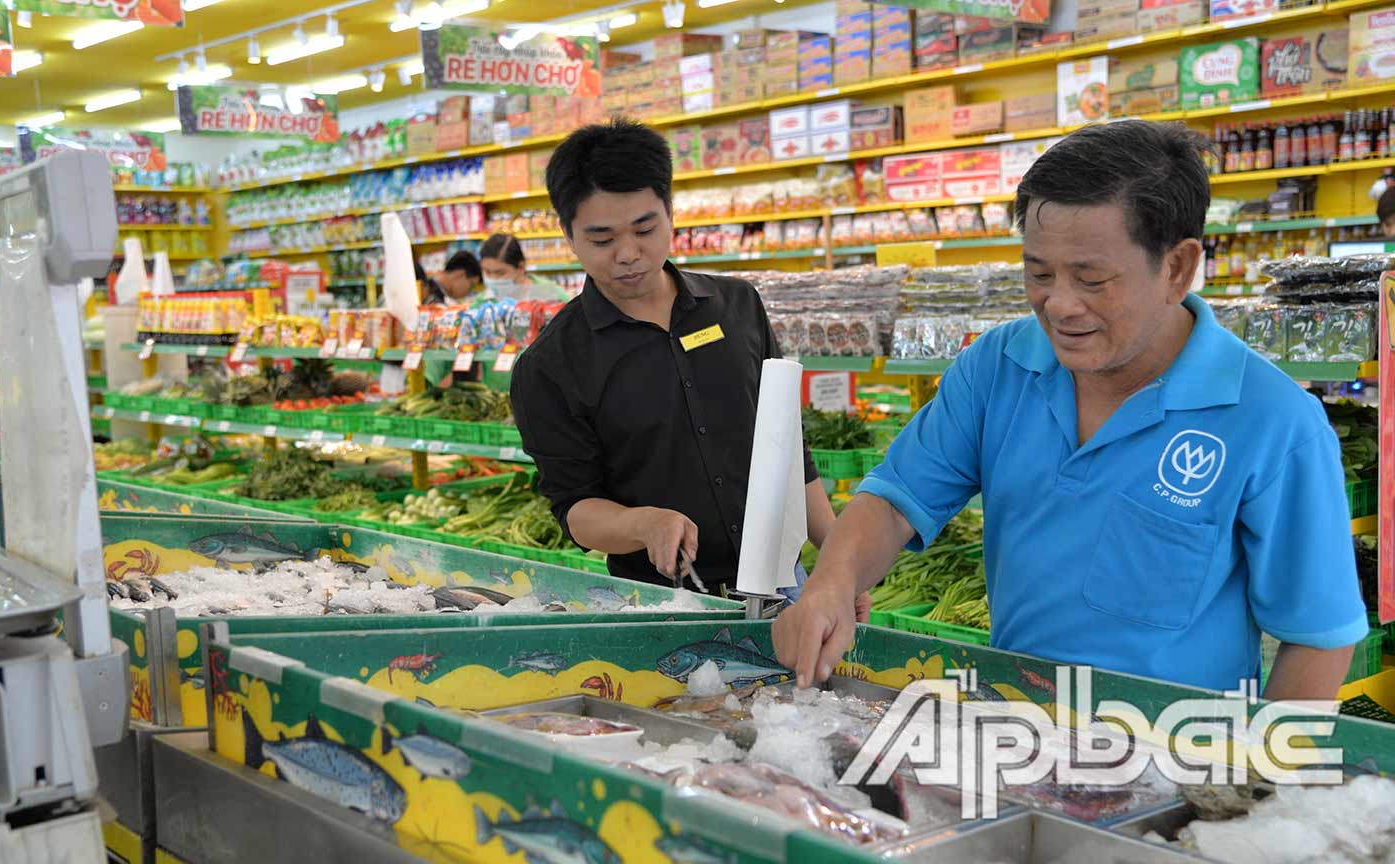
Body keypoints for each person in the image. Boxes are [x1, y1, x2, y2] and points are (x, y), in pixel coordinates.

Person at [773, 120, 1365, 700]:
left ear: (1177, 268)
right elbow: (897, 501)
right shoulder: (997, 367)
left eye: (1091, 279)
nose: (1058, 304)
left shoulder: (1274, 422)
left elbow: (1317, 638)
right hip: (1013, 736)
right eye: (1038, 273)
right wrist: (831, 582)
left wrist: (1258, 782)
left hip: (1178, 762)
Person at [509, 119, 847, 600]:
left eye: (645, 228)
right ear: (568, 234)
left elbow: (789, 446)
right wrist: (642, 523)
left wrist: (839, 561)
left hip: (783, 585)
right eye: (602, 240)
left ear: (670, 212)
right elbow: (575, 507)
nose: (628, 254)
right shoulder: (550, 365)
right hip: (659, 601)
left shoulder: (738, 307)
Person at [479, 233, 570, 302]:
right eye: (487, 272)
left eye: (500, 273)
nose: (493, 279)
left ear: (521, 267)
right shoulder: (483, 301)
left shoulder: (551, 294)